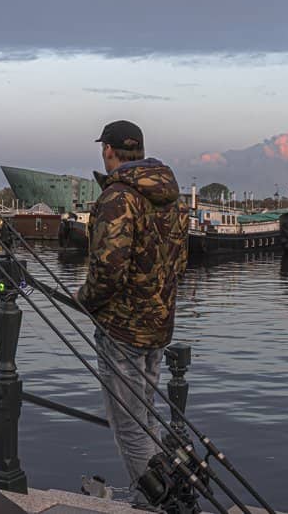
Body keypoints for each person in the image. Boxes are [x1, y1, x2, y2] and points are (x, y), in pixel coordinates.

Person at [76, 120, 188, 503]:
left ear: (108, 150)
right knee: (147, 412)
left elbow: (108, 270)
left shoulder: (117, 197)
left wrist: (84, 300)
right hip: (159, 325)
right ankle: (164, 487)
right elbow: (180, 261)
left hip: (121, 329)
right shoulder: (172, 197)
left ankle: (154, 500)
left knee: (129, 422)